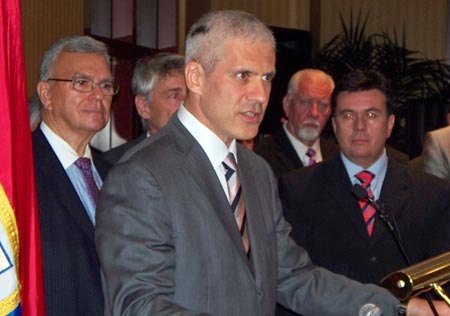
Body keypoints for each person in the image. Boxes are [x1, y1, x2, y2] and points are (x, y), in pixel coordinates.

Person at [96, 11, 448, 316]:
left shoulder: (255, 171)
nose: (259, 95)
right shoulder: (142, 174)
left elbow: (292, 276)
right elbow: (139, 304)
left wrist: (399, 308)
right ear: (195, 77)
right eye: (242, 76)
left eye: (266, 78)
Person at [279, 69, 450, 316]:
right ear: (335, 125)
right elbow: (292, 282)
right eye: (348, 115)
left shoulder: (433, 194)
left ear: (390, 124)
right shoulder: (296, 189)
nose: (359, 126)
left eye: (371, 114)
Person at [32, 35, 115, 315]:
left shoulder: (119, 175)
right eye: (81, 83)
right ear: (46, 95)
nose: (98, 95)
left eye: (105, 85)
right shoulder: (18, 175)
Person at [102, 52, 186, 164]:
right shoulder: (115, 164)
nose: (186, 105)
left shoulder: (211, 154)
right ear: (144, 106)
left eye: (191, 96)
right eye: (174, 96)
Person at [254, 69, 339, 177]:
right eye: (305, 102)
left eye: (323, 105)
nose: (314, 113)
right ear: (287, 104)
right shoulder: (261, 157)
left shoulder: (338, 156)